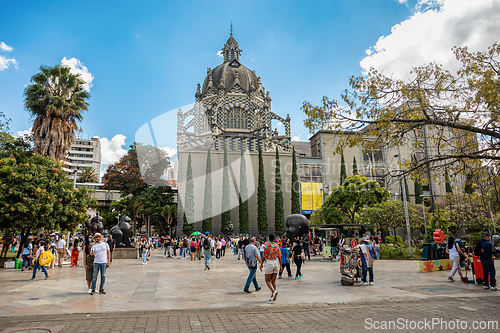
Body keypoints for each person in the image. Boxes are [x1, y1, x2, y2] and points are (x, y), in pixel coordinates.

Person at [260, 234, 281, 301]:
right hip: (275, 262)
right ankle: (272, 295)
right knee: (273, 280)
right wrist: (281, 265)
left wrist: (261, 263)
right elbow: (279, 256)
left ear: (269, 239)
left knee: (267, 280)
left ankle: (273, 291)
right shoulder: (277, 245)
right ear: (274, 238)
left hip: (269, 262)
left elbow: (264, 256)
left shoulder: (267, 246)